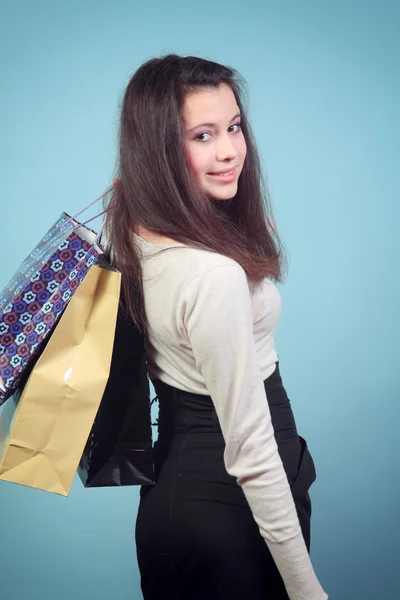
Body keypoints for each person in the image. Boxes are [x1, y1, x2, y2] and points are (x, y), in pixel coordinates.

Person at [106, 54, 328, 600]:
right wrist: (307, 591)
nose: (229, 150)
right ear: (158, 149)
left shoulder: (133, 225)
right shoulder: (212, 276)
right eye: (202, 135)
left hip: (179, 503)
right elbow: (250, 450)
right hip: (232, 514)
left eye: (233, 127)